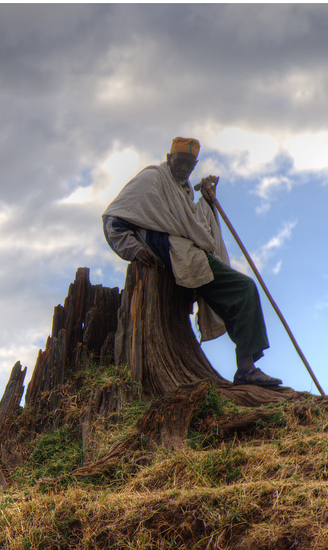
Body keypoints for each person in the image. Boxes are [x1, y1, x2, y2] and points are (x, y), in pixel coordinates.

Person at [102, 136, 282, 387]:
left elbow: (191, 223)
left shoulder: (184, 190)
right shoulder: (152, 178)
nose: (184, 167)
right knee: (243, 288)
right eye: (180, 161)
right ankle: (246, 368)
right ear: (169, 159)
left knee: (243, 290)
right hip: (172, 252)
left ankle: (245, 368)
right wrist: (133, 249)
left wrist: (207, 201)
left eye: (190, 163)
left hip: (185, 253)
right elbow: (113, 219)